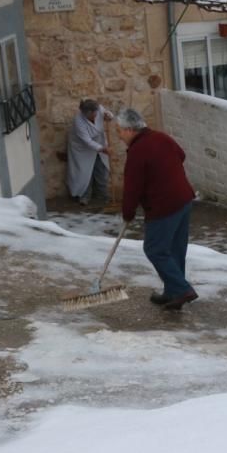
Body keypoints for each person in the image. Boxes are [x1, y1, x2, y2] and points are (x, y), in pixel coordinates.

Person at [115, 108, 199, 311]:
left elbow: (132, 189)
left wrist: (128, 213)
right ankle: (173, 293)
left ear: (128, 130)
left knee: (155, 249)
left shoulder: (137, 152)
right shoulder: (162, 137)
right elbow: (181, 155)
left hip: (164, 206)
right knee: (175, 250)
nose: (119, 135)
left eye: (119, 131)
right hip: (184, 198)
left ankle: (182, 289)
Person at [67, 99, 112, 206]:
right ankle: (84, 196)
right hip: (82, 149)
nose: (95, 116)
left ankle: (102, 194)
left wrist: (109, 116)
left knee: (101, 167)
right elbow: (87, 141)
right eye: (92, 115)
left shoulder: (99, 109)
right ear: (84, 114)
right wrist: (103, 149)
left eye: (95, 113)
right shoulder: (78, 121)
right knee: (84, 172)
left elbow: (110, 115)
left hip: (98, 142)